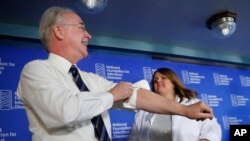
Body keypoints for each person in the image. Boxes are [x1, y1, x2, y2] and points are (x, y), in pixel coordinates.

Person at [17, 6, 214, 141]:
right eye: (81, 27)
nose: (88, 35)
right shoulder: (36, 70)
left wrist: (185, 111)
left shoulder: (89, 80)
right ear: (59, 31)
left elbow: (136, 96)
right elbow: (64, 111)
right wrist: (112, 96)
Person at [129, 68, 222, 141]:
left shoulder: (193, 104)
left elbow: (212, 127)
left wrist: (205, 139)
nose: (158, 81)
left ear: (174, 83)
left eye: (163, 78)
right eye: (155, 80)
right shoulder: (143, 111)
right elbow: (134, 137)